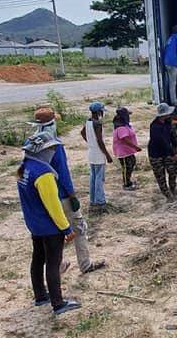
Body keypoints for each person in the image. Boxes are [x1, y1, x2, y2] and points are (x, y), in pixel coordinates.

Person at [16, 130, 83, 316]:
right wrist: (66, 228)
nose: (53, 151)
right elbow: (53, 206)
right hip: (49, 227)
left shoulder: (24, 167)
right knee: (53, 263)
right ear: (42, 151)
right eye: (51, 148)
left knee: (38, 258)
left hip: (34, 224)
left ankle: (40, 295)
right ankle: (58, 303)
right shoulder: (44, 174)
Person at [31, 107, 104, 274]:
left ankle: (59, 264)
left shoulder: (32, 144)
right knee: (78, 228)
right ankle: (85, 264)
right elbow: (63, 174)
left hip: (43, 197)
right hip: (61, 195)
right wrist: (72, 196)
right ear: (52, 123)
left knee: (54, 231)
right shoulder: (54, 145)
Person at [80, 102, 113, 210]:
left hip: (91, 153)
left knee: (93, 177)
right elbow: (100, 141)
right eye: (102, 111)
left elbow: (82, 132)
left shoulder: (88, 121)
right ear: (99, 112)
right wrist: (107, 155)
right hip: (98, 154)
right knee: (99, 178)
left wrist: (90, 142)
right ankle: (100, 201)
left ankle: (93, 200)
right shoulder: (97, 124)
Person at [148, 103, 177, 201]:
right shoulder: (155, 127)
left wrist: (176, 145)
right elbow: (162, 142)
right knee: (160, 176)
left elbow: (171, 136)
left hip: (166, 151)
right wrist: (172, 154)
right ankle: (167, 195)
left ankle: (173, 189)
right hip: (156, 154)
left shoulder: (167, 123)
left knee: (173, 171)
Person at [111, 107, 141, 190]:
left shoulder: (124, 125)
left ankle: (128, 180)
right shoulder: (121, 127)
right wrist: (135, 147)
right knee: (126, 167)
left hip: (128, 151)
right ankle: (126, 184)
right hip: (123, 152)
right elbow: (125, 139)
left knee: (131, 164)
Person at [163, 25, 177, 105]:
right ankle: (174, 101)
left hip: (166, 62)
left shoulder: (169, 39)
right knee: (173, 83)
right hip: (172, 62)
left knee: (170, 82)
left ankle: (171, 100)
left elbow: (166, 49)